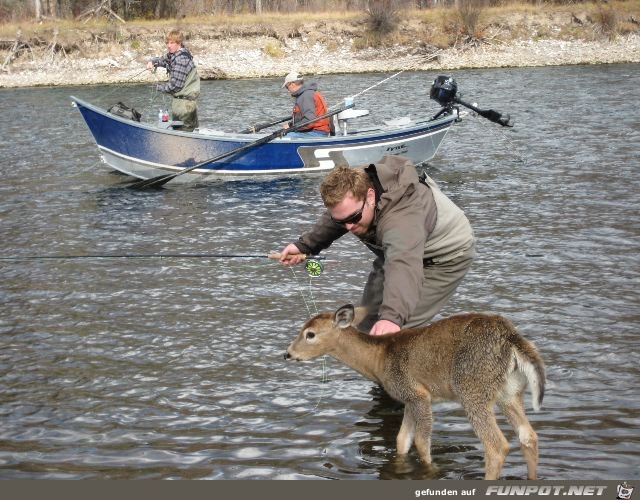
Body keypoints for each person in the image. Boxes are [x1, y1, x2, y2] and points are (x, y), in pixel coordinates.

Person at [279, 155, 475, 336]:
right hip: (394, 252)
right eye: (342, 222)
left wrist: (392, 318)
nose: (349, 227)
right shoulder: (356, 191)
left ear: (371, 196)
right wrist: (304, 246)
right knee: (363, 324)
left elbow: (403, 263)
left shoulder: (400, 220)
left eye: (354, 218)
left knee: (392, 336)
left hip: (444, 258)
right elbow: (340, 215)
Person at [147, 30, 200, 131]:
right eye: (167, 43)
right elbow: (163, 60)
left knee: (183, 135)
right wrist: (152, 62)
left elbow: (175, 86)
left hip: (185, 106)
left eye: (172, 43)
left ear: (179, 43)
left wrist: (158, 87)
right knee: (180, 133)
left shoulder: (181, 60)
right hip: (182, 104)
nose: (168, 45)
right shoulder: (174, 55)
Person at [281, 71, 331, 138]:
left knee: (285, 136)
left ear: (292, 84)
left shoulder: (306, 96)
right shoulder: (306, 93)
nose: (288, 90)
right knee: (282, 133)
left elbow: (309, 121)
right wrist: (291, 125)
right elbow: (303, 117)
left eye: (287, 87)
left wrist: (291, 128)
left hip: (317, 132)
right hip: (313, 130)